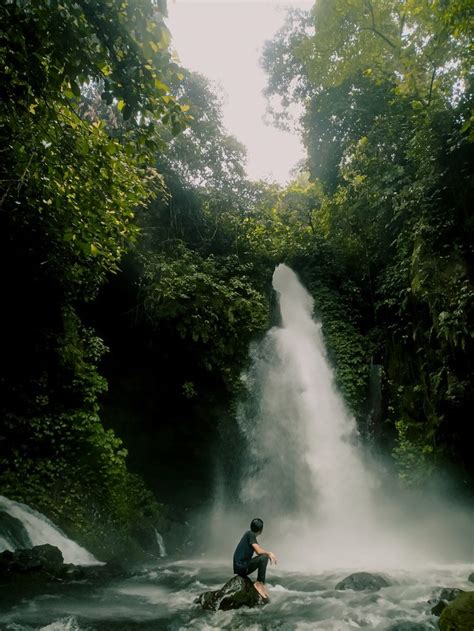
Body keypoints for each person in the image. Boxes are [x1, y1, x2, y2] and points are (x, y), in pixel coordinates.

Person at [232, 517, 277, 599]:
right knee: (264, 557)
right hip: (242, 567)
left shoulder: (249, 534)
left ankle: (260, 584)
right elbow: (259, 551)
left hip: (240, 567)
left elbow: (257, 551)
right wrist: (269, 553)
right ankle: (260, 583)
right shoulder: (250, 534)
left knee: (263, 556)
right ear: (261, 530)